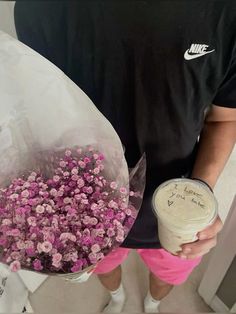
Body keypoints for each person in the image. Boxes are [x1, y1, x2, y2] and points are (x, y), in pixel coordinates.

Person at [14, 1, 236, 313]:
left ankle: (152, 303)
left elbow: (224, 119)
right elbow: (44, 115)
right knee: (105, 270)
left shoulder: (226, 14)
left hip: (179, 208)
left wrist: (201, 195)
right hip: (89, 214)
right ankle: (117, 298)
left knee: (167, 275)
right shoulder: (41, 8)